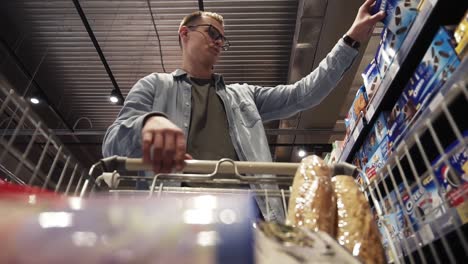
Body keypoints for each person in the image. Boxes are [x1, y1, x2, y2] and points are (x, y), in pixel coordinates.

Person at [102, 0, 385, 222]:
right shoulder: (154, 85)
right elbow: (111, 143)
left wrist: (352, 39)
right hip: (171, 219)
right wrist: (148, 123)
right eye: (212, 33)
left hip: (244, 217)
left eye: (222, 39)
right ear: (184, 33)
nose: (218, 42)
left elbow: (304, 94)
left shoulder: (244, 95)